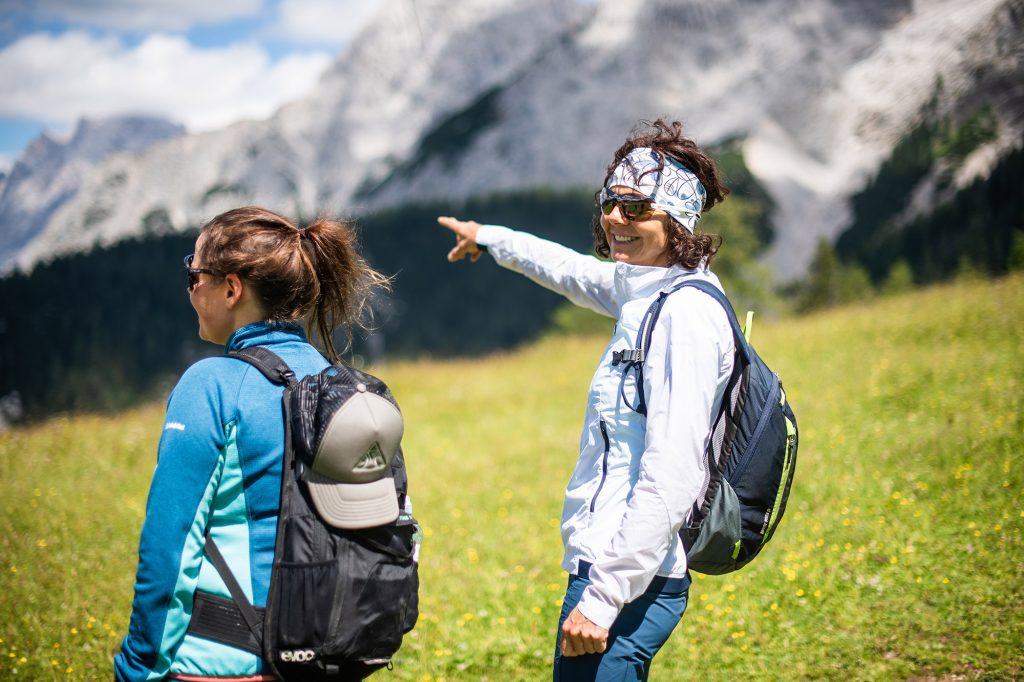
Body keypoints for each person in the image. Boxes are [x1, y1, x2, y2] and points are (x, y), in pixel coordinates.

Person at [438, 119, 734, 681]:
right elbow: (571, 271)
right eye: (611, 201)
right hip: (609, 569)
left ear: (676, 220)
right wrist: (491, 238)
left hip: (627, 584)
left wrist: (602, 598)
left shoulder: (684, 315)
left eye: (638, 208)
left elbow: (673, 474)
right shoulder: (643, 289)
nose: (617, 219)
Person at [115, 206, 391, 681]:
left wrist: (137, 667)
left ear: (231, 287)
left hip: (224, 662)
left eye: (194, 272)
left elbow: (171, 548)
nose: (191, 287)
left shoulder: (211, 385)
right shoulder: (349, 387)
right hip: (332, 656)